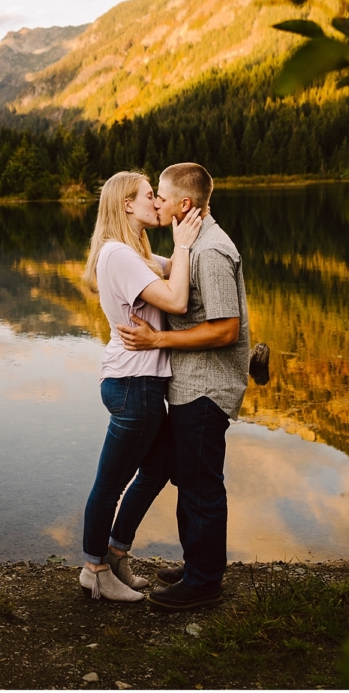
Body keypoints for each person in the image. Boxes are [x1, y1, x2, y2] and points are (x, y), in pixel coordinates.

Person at [116, 162, 250, 611]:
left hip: (207, 388)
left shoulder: (210, 251)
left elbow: (226, 329)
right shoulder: (194, 245)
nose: (156, 202)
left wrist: (158, 339)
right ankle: (198, 565)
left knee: (201, 484)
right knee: (189, 477)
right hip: (191, 385)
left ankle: (204, 582)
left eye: (162, 197)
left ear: (184, 204)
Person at [77, 170, 203, 602]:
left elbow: (184, 273)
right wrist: (183, 244)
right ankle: (94, 569)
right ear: (127, 204)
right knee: (110, 484)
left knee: (158, 467)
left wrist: (198, 237)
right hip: (134, 384)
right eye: (151, 196)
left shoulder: (138, 255)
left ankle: (115, 553)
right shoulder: (119, 255)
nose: (159, 202)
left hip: (140, 383)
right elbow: (177, 299)